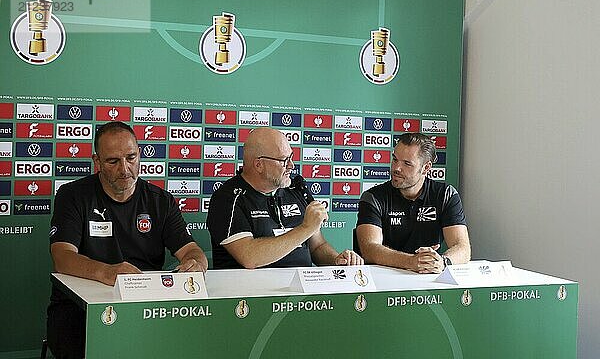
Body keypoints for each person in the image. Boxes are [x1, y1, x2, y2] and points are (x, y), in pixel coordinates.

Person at [47, 121, 208, 359]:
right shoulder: (72, 195)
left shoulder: (160, 201)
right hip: (79, 308)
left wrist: (196, 263)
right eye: (113, 161)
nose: (125, 169)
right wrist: (107, 272)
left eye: (131, 158)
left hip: (145, 306)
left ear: (139, 155)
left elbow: (191, 250)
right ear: (97, 162)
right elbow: (62, 257)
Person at [207, 127, 363, 269]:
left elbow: (317, 246)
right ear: (259, 165)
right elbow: (249, 257)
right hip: (252, 295)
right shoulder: (228, 198)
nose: (291, 165)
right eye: (283, 160)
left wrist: (336, 259)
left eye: (291, 157)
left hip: (303, 292)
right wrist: (305, 228)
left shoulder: (297, 189)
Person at [355, 132, 470, 274]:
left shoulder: (446, 195)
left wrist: (442, 262)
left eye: (407, 164)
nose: (396, 168)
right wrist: (411, 261)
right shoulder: (373, 197)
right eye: (395, 159)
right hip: (383, 279)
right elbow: (370, 249)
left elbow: (462, 247)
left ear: (426, 168)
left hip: (429, 277)